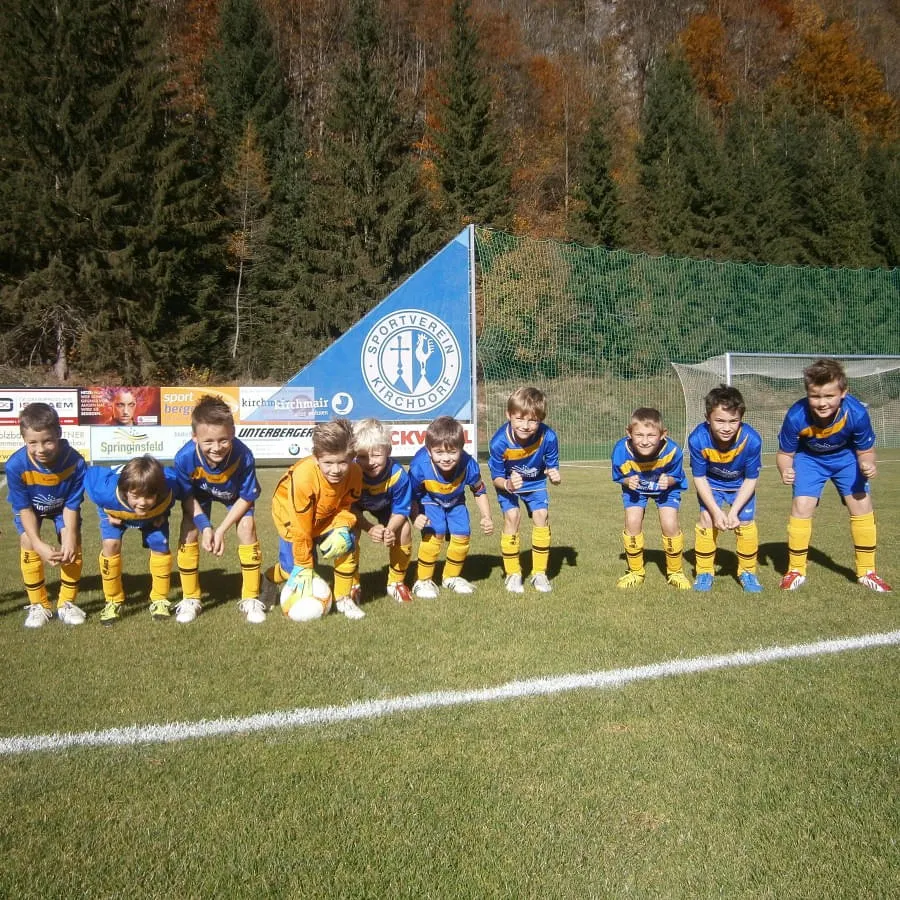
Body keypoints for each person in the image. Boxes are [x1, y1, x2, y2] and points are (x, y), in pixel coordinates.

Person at [776, 357, 891, 592]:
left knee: (861, 504)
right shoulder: (796, 415)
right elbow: (785, 454)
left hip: (846, 458)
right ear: (807, 393)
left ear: (843, 393)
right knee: (802, 505)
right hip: (809, 460)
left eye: (829, 396)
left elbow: (865, 450)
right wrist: (785, 469)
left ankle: (867, 572)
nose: (822, 403)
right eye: (815, 396)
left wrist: (868, 464)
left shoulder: (856, 414)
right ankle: (795, 570)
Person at [173, 395, 264, 624]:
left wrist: (221, 529)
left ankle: (251, 597)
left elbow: (246, 497)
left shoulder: (243, 456)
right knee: (189, 528)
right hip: (199, 495)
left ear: (232, 432)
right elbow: (187, 497)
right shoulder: (184, 459)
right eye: (208, 441)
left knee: (247, 525)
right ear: (195, 437)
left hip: (233, 495)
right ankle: (190, 597)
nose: (216, 448)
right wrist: (205, 527)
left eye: (223, 440)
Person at [266, 418, 365, 620]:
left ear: (352, 458)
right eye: (328, 463)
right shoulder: (304, 477)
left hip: (326, 515)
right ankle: (269, 577)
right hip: (291, 517)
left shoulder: (355, 473)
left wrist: (341, 527)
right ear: (316, 458)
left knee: (347, 543)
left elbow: (347, 507)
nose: (336, 470)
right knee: (290, 570)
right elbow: (300, 527)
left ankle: (344, 598)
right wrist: (303, 564)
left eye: (342, 462)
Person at [5, 402, 87, 628]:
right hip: (32, 508)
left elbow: (72, 504)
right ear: (24, 439)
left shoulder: (75, 462)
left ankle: (66, 604)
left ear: (59, 434)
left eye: (47, 441)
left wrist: (69, 535)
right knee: (27, 540)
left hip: (63, 508)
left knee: (73, 543)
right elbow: (24, 509)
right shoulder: (15, 465)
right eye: (33, 443)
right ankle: (38, 604)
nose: (40, 449)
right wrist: (39, 545)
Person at [85, 455, 184, 624]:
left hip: (154, 515)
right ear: (124, 491)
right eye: (136, 496)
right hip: (116, 513)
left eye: (149, 496)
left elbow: (175, 487)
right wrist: (106, 512)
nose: (143, 502)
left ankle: (159, 599)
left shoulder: (169, 487)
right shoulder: (104, 491)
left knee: (161, 544)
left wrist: (163, 512)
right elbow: (90, 474)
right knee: (111, 544)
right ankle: (113, 601)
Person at [407, 416, 494, 598]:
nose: (446, 458)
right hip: (429, 500)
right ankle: (422, 580)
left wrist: (486, 516)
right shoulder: (419, 465)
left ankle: (451, 577)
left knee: (463, 534)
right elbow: (410, 496)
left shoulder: (468, 464)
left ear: (461, 450)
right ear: (429, 451)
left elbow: (479, 490)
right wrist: (415, 516)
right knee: (436, 531)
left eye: (452, 452)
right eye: (439, 452)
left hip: (455, 501)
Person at [688, 385, 764, 593]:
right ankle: (704, 571)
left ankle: (747, 572)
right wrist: (715, 510)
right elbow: (699, 477)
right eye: (720, 421)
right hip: (711, 485)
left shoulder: (752, 440)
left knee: (746, 523)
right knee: (707, 520)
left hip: (741, 487)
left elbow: (750, 480)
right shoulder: (697, 439)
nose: (727, 427)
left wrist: (734, 510)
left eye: (733, 421)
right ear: (708, 418)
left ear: (741, 418)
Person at [488, 386, 561, 594]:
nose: (526, 426)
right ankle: (513, 573)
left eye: (533, 420)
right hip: (509, 484)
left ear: (541, 419)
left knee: (541, 515)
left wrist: (554, 475)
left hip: (535, 483)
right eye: (519, 419)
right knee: (512, 516)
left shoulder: (548, 437)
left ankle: (539, 573)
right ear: (509, 415)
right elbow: (496, 478)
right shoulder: (499, 442)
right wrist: (509, 484)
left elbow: (552, 466)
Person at [611, 408, 690, 589]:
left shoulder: (673, 451)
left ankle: (675, 572)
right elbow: (618, 477)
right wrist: (627, 481)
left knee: (669, 523)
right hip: (636, 489)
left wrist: (667, 480)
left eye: (651, 435)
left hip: (666, 489)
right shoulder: (620, 451)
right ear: (629, 433)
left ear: (663, 434)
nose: (645, 441)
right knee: (632, 521)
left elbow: (677, 477)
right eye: (639, 435)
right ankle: (635, 571)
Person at [351, 418, 414, 604]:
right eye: (362, 456)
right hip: (358, 506)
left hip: (387, 507)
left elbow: (401, 510)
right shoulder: (351, 471)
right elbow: (348, 508)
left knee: (404, 530)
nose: (370, 462)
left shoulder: (398, 475)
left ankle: (396, 581)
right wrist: (369, 527)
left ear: (388, 451)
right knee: (347, 530)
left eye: (376, 455)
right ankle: (351, 582)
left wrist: (389, 530)